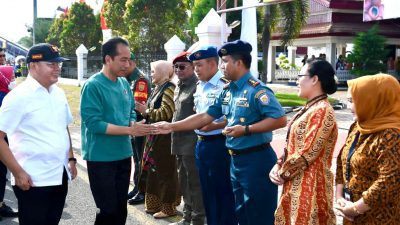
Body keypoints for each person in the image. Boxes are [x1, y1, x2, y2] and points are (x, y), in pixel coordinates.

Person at [156, 40, 287, 225]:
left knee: (259, 215)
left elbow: (280, 119)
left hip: (256, 159)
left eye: (225, 61)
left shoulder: (256, 90)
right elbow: (205, 116)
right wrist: (171, 126)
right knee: (241, 212)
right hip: (235, 160)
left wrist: (247, 129)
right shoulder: (227, 91)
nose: (221, 66)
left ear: (238, 63)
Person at [0, 43, 76, 225]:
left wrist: (71, 159)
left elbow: (63, 127)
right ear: (33, 66)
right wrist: (18, 172)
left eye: (59, 64)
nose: (57, 68)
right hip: (33, 179)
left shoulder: (58, 93)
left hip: (59, 174)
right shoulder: (18, 97)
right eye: (51, 64)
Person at [80, 37, 154, 225]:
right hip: (101, 157)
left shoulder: (123, 84)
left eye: (129, 59)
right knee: (107, 210)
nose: (127, 64)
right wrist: (131, 130)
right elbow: (94, 124)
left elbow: (130, 109)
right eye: (123, 59)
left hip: (123, 154)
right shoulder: (93, 85)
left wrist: (131, 124)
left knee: (121, 209)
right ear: (108, 59)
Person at [269, 60, 338, 224]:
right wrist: (278, 164)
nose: (297, 81)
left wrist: (282, 172)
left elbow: (308, 152)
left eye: (300, 76)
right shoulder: (310, 108)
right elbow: (292, 146)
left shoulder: (322, 110)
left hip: (311, 185)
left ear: (314, 79)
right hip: (296, 181)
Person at [334, 74, 400, 224]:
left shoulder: (391, 135)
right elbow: (342, 162)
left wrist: (356, 208)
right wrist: (339, 198)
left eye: (353, 101)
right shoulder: (358, 127)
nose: (349, 107)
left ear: (373, 101)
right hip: (351, 213)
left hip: (380, 217)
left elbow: (389, 181)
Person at [188, 46, 236, 225]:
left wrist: (215, 125)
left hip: (220, 143)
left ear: (213, 64)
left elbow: (235, 116)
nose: (196, 70)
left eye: (199, 65)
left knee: (223, 191)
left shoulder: (226, 85)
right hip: (201, 144)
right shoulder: (200, 86)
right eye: (194, 66)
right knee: (207, 191)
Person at [135, 60, 180, 218]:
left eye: (154, 71)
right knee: (153, 171)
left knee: (165, 172)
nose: (151, 74)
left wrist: (145, 110)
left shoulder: (169, 88)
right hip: (154, 135)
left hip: (164, 138)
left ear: (162, 72)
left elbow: (166, 113)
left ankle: (168, 207)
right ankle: (155, 204)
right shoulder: (158, 88)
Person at [169, 51, 205, 225]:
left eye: (182, 66)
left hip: (191, 142)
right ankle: (187, 217)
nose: (178, 70)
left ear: (192, 67)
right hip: (178, 141)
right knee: (183, 181)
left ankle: (198, 219)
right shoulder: (179, 85)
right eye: (175, 67)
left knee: (194, 183)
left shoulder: (197, 86)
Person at [124, 52, 150, 205]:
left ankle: (142, 191)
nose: (124, 66)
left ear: (133, 63)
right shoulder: (128, 79)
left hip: (140, 124)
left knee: (141, 159)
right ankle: (137, 187)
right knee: (136, 158)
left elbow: (138, 105)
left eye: (127, 62)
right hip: (134, 125)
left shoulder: (140, 81)